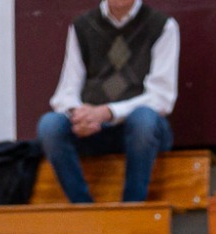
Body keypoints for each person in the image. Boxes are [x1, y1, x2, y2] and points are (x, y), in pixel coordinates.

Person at [40, 0, 178, 205]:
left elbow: (162, 98)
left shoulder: (162, 25)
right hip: (95, 129)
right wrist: (79, 116)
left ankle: (132, 208)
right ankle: (83, 208)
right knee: (50, 126)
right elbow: (66, 92)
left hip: (142, 132)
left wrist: (108, 112)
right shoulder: (82, 25)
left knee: (144, 120)